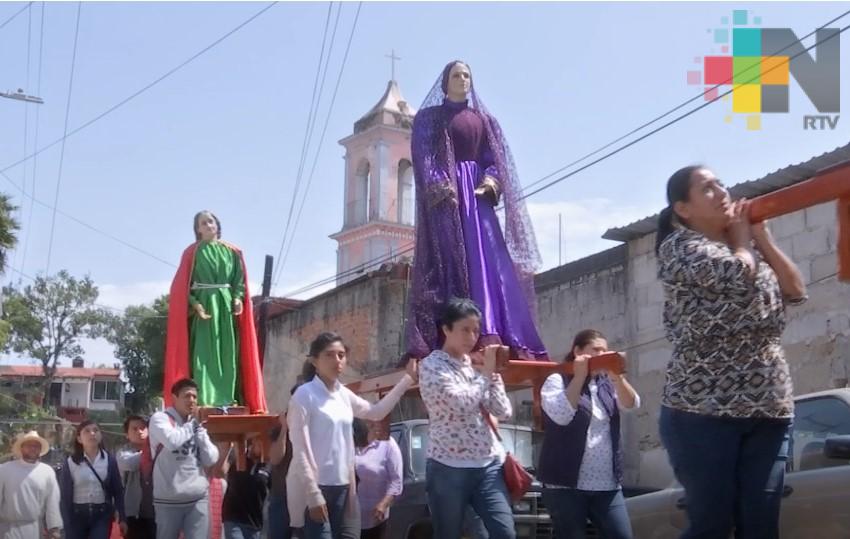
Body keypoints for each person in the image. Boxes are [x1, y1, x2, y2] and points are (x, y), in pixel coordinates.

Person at [655, 165, 807, 539]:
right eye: (707, 188)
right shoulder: (679, 248)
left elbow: (797, 290)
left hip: (769, 407)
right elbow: (736, 274)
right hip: (703, 411)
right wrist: (742, 241)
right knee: (712, 524)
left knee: (760, 524)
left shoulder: (747, 248)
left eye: (721, 184)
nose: (722, 192)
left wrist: (761, 238)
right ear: (683, 209)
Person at [406, 60, 546, 361]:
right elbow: (425, 157)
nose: (462, 80)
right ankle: (451, 333)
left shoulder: (484, 120)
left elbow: (493, 158)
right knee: (452, 259)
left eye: (467, 75)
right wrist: (442, 186)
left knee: (489, 260)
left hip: (477, 198)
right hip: (449, 203)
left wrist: (490, 181)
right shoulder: (430, 119)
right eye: (456, 75)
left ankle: (493, 328)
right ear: (445, 82)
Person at [287, 332, 418, 539]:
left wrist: (407, 380)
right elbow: (300, 449)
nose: (337, 360)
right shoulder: (304, 395)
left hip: (344, 489)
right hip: (314, 488)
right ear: (314, 361)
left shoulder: (343, 395)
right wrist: (313, 495)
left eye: (341, 355)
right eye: (329, 355)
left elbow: (377, 412)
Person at [418, 297, 515, 539]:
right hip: (447, 467)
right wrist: (486, 375)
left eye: (476, 331)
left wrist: (493, 377)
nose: (471, 337)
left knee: (505, 532)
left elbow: (503, 411)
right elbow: (461, 403)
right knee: (448, 534)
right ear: (446, 329)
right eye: (465, 330)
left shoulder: (479, 366)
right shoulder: (432, 365)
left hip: (487, 465)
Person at [538, 329, 640, 539]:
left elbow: (631, 404)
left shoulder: (606, 383)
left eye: (604, 350)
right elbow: (561, 415)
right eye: (595, 350)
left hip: (607, 484)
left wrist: (617, 378)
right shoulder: (557, 380)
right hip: (565, 484)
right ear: (577, 351)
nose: (601, 354)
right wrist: (579, 376)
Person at [164, 210, 267, 412]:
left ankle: (227, 397)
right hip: (204, 309)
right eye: (203, 223)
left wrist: (237, 298)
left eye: (210, 221)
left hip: (226, 308)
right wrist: (196, 304)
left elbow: (238, 279)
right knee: (203, 356)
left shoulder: (232, 252)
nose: (208, 225)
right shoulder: (192, 253)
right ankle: (204, 397)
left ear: (217, 225)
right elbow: (182, 287)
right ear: (198, 230)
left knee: (227, 353)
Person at [149, 378, 220, 539]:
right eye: (187, 396)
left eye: (195, 397)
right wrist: (194, 425)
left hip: (198, 498)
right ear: (174, 398)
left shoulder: (195, 425)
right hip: (168, 501)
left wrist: (201, 433)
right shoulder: (160, 419)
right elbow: (172, 441)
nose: (192, 401)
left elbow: (211, 459)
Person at [58, 421, 127, 539]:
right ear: (79, 438)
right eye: (87, 431)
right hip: (77, 514)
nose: (92, 433)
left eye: (95, 430)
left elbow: (118, 491)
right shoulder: (71, 462)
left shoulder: (109, 460)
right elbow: (64, 496)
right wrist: (66, 522)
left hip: (101, 514)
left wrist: (122, 518)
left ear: (100, 436)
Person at [0, 430, 62, 539]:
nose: (33, 448)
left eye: (36, 446)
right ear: (21, 448)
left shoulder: (47, 471)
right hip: (8, 530)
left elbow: (52, 501)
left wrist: (54, 527)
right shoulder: (4, 469)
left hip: (35, 529)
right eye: (29, 445)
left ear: (40, 449)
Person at [353, 418, 403, 539]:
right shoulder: (351, 444)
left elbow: (396, 481)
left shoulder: (388, 445)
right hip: (351, 519)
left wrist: (383, 504)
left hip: (375, 518)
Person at [221, 439, 271, 539]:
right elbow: (221, 471)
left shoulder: (268, 465)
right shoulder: (238, 457)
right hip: (233, 518)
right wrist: (226, 447)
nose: (260, 445)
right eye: (257, 442)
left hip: (255, 522)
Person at [117, 414, 157, 538]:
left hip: (158, 511)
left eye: (143, 427)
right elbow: (130, 463)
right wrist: (152, 450)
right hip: (133, 513)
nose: (140, 431)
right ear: (127, 434)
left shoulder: (159, 451)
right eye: (134, 429)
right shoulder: (123, 452)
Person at [267, 393, 297, 539]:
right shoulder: (278, 429)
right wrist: (285, 428)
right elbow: (275, 458)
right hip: (281, 495)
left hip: (305, 496)